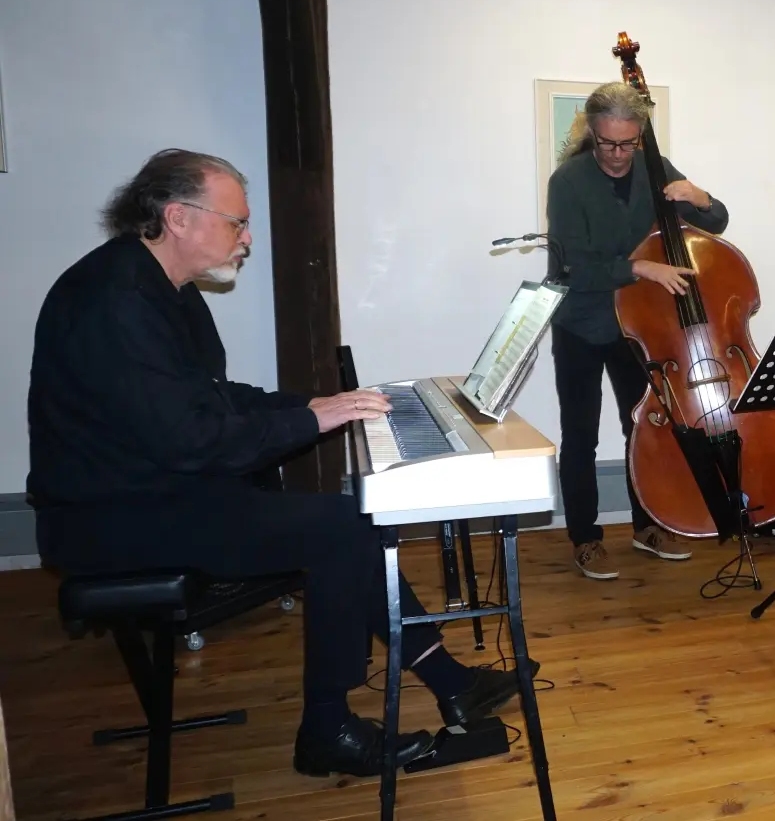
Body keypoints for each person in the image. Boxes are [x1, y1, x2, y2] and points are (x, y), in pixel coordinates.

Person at [27, 149, 522, 778]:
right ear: (178, 217)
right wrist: (312, 420)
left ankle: (450, 682)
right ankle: (328, 731)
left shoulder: (161, 289)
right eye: (236, 222)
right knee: (344, 530)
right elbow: (192, 439)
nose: (247, 238)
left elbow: (215, 397)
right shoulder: (118, 301)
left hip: (152, 490)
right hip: (109, 516)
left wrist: (314, 404)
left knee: (348, 522)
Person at [544, 82, 730, 579]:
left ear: (640, 135)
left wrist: (701, 197)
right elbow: (569, 269)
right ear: (593, 133)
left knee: (645, 430)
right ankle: (585, 537)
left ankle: (648, 526)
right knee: (580, 434)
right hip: (582, 323)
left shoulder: (656, 168)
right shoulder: (568, 182)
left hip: (641, 328)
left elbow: (717, 223)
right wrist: (639, 269)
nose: (619, 154)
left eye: (629, 143)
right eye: (608, 143)